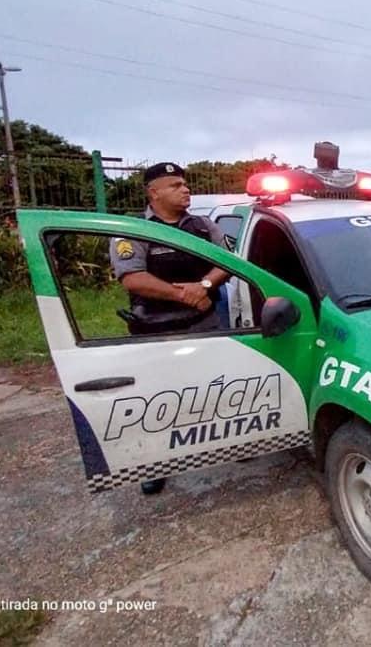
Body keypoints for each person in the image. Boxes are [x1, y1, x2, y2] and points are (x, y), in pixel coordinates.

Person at [109, 161, 231, 494]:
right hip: (155, 330)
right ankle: (155, 463)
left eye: (185, 184)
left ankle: (230, 443)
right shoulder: (132, 231)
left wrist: (204, 285)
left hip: (204, 323)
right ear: (154, 192)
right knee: (157, 402)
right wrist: (187, 294)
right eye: (176, 185)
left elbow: (227, 261)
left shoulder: (203, 226)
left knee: (213, 387)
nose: (186, 189)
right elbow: (133, 278)